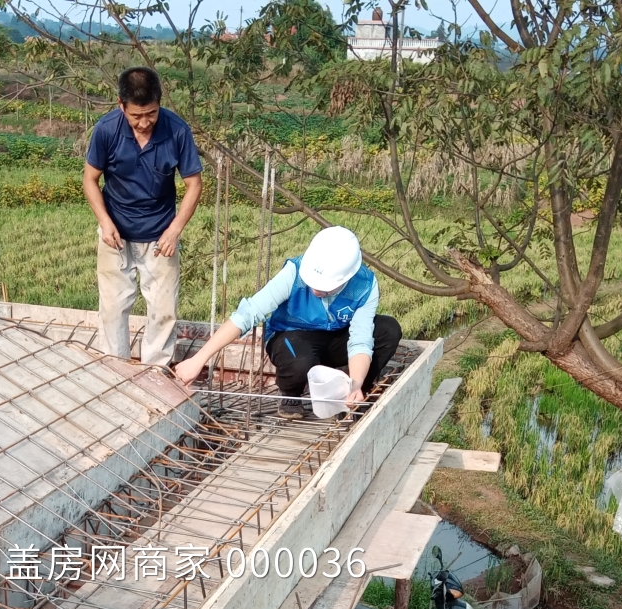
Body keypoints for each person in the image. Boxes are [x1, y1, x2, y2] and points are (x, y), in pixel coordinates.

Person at [173, 226, 402, 417]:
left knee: (387, 330)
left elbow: (360, 339)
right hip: (292, 337)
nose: (316, 290)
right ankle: (291, 396)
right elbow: (247, 314)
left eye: (324, 287)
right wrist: (198, 359)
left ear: (347, 278)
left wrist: (355, 383)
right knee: (301, 360)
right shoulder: (295, 272)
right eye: (313, 283)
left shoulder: (365, 285)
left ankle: (350, 392)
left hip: (336, 336)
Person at [84, 67, 203, 368]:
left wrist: (175, 230)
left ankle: (156, 374)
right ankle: (116, 372)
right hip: (116, 235)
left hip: (160, 236)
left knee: (163, 311)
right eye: (136, 116)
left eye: (150, 113)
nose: (144, 122)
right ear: (120, 104)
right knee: (112, 308)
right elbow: (90, 179)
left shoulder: (177, 130)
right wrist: (104, 221)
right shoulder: (106, 130)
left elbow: (194, 184)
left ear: (159, 103)